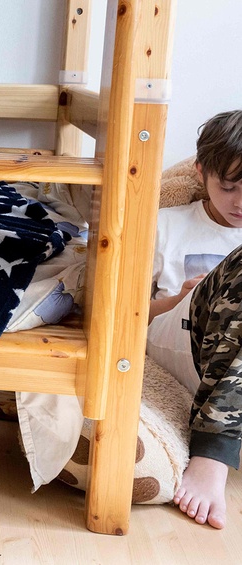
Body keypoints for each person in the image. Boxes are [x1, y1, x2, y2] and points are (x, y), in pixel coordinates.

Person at [146, 109, 242, 529]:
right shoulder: (164, 225)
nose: (240, 202)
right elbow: (117, 313)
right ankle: (213, 453)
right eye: (229, 186)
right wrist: (178, 299)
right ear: (201, 171)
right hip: (180, 336)